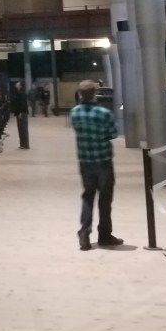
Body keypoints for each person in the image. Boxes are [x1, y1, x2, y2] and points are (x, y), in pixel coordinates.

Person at [69, 79, 123, 250]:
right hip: (103, 159)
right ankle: (104, 235)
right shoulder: (104, 113)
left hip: (85, 160)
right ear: (94, 93)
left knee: (88, 196)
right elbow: (113, 133)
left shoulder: (75, 112)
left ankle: (85, 231)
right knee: (105, 199)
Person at [10, 80, 30, 149]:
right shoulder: (17, 93)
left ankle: (26, 144)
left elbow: (23, 104)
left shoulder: (22, 94)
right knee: (20, 129)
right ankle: (22, 144)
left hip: (22, 113)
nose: (16, 85)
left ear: (20, 86)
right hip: (19, 113)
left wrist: (21, 112)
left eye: (18, 84)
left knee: (23, 129)